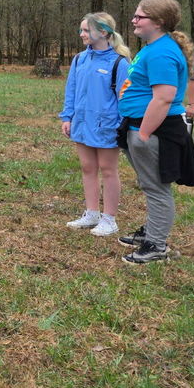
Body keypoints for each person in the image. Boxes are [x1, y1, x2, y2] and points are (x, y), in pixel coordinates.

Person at [117, 0, 194, 264]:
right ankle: (151, 231)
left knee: (156, 188)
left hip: (154, 130)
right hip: (142, 126)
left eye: (140, 17)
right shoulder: (155, 47)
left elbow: (163, 98)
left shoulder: (162, 52)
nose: (134, 20)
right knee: (149, 184)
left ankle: (156, 246)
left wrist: (144, 133)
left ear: (159, 23)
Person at [60, 12, 130, 236]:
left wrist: (120, 127)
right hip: (81, 123)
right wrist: (67, 116)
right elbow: (71, 90)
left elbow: (125, 98)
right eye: (81, 30)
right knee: (87, 168)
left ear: (103, 32)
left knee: (109, 170)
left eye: (86, 30)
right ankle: (92, 213)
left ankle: (109, 219)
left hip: (107, 126)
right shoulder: (79, 59)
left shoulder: (120, 63)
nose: (82, 35)